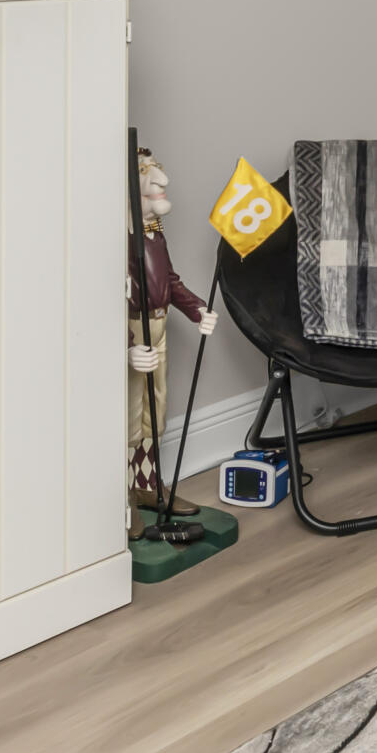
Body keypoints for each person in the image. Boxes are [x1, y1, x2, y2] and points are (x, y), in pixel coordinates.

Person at [130, 147, 221, 530]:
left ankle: (147, 485)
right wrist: (126, 348)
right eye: (148, 172)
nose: (161, 180)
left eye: (158, 170)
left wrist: (197, 308)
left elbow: (168, 281)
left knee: (154, 412)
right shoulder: (117, 239)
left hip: (159, 327)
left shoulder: (154, 236)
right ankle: (120, 498)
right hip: (134, 332)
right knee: (127, 416)